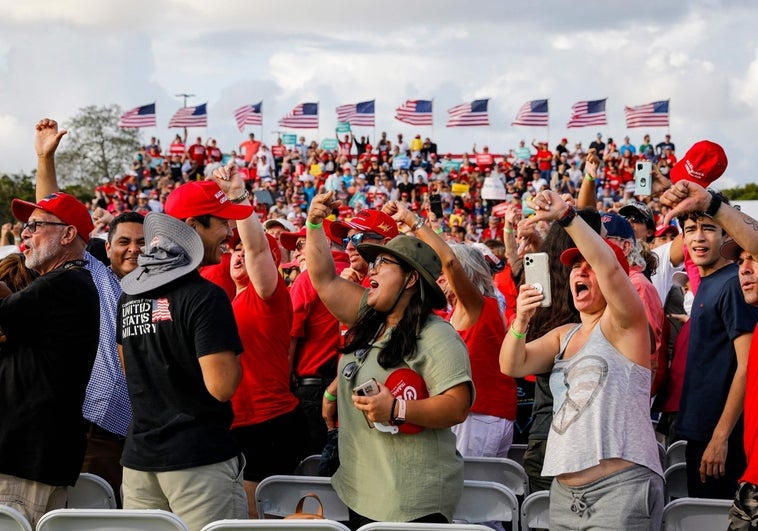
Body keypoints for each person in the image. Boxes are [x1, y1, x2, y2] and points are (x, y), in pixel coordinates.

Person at [500, 154, 664, 530]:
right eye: (574, 266)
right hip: (563, 496)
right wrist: (520, 322)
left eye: (587, 265)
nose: (580, 271)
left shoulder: (626, 322)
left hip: (620, 490)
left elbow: (606, 264)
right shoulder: (564, 334)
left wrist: (568, 215)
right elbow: (511, 364)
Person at [306, 191, 473, 529]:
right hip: (364, 492)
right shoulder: (371, 315)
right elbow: (323, 278)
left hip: (409, 501)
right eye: (374, 262)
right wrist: (313, 223)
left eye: (383, 263)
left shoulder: (436, 334)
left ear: (411, 279)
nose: (372, 269)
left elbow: (457, 406)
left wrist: (397, 409)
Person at [33, 118, 140, 505]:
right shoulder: (95, 276)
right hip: (95, 426)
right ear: (105, 247)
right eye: (124, 241)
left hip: (146, 431)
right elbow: (52, 220)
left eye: (142, 243)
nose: (133, 250)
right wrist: (46, 160)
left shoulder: (167, 293)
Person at [118, 212, 247, 531]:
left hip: (139, 460)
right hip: (198, 460)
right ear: (193, 233)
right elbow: (222, 387)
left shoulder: (127, 297)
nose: (228, 232)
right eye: (220, 224)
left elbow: (128, 368)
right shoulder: (205, 296)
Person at [661, 178, 758, 528]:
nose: (699, 237)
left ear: (728, 235)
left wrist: (720, 437)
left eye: (709, 229)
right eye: (690, 229)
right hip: (703, 434)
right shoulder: (710, 283)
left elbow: (747, 366)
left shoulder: (734, 283)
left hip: (724, 440)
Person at [0, 192, 100, 528]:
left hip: (25, 459)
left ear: (69, 235)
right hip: (33, 455)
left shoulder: (64, 283)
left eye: (35, 226)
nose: (24, 233)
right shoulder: (63, 284)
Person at [387, 201, 516, 459]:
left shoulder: (479, 306)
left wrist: (415, 222)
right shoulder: (458, 310)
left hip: (479, 415)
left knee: (469, 492)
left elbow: (450, 261)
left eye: (443, 274)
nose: (438, 278)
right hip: (478, 415)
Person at [216, 165, 307, 518]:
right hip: (238, 423)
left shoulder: (269, 295)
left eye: (248, 250)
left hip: (267, 424)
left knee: (253, 518)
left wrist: (239, 198)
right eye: (233, 249)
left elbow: (256, 250)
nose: (239, 253)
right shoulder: (232, 299)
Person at [329, 209, 398, 286]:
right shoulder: (354, 278)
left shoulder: (389, 284)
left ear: (386, 244)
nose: (348, 247)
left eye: (357, 238)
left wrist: (348, 290)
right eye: (346, 240)